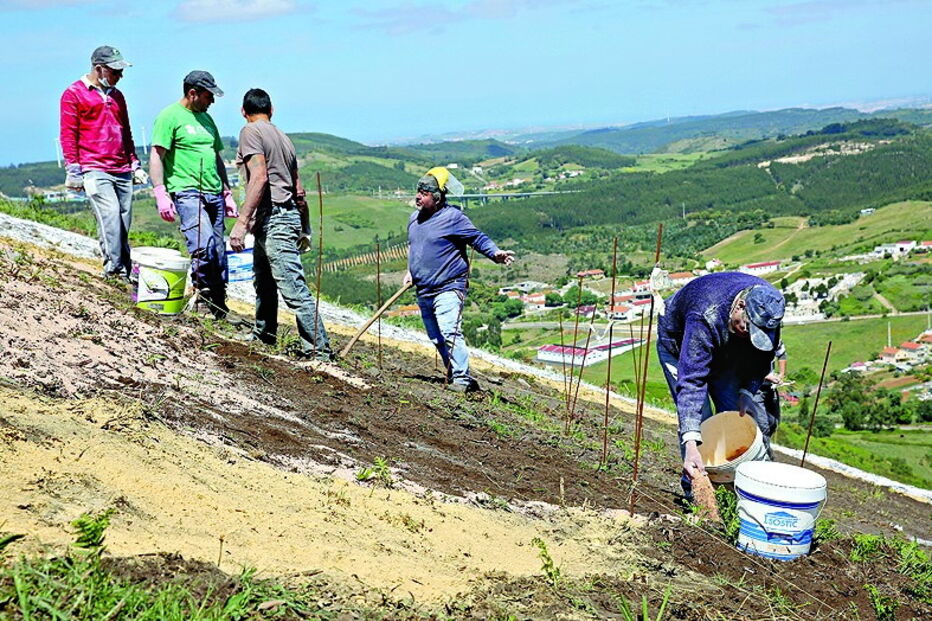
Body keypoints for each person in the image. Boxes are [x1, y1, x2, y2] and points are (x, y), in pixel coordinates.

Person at [655, 272, 785, 496]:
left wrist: (747, 391)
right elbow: (692, 381)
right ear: (740, 306)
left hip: (726, 351)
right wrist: (691, 442)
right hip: (679, 346)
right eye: (748, 328)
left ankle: (732, 487)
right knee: (701, 423)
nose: (750, 335)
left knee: (734, 413)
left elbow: (762, 357)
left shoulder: (768, 307)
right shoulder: (705, 315)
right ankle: (696, 487)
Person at [229, 88, 332, 361]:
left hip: (274, 218)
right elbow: (298, 189)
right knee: (263, 282)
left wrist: (241, 223)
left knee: (292, 286)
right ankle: (264, 335)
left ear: (243, 111)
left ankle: (319, 350)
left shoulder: (250, 132)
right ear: (271, 110)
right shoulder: (284, 138)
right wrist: (304, 226)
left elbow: (259, 177)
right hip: (280, 217)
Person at [403, 167, 515, 392]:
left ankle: (462, 379)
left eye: (424, 193)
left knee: (449, 331)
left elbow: (477, 238)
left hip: (449, 286)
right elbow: (414, 247)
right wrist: (409, 271)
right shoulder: (414, 219)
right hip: (424, 289)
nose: (418, 196)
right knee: (436, 337)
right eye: (418, 191)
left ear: (436, 198)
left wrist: (495, 253)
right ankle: (453, 372)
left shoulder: (453, 218)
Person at [149, 70, 238, 319]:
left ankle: (220, 304)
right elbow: (157, 155)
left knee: (219, 250)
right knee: (203, 244)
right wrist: (160, 192)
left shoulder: (207, 120)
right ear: (193, 93)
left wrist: (227, 191)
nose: (212, 101)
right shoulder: (170, 117)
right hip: (187, 190)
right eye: (209, 96)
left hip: (214, 192)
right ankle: (202, 297)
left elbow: (216, 157)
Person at [59, 45, 147, 281]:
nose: (120, 76)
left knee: (123, 222)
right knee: (109, 216)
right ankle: (114, 269)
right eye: (115, 72)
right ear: (99, 69)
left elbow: (125, 131)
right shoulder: (74, 94)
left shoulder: (117, 96)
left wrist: (135, 163)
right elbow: (68, 134)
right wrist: (74, 170)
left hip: (121, 168)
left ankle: (125, 268)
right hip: (94, 168)